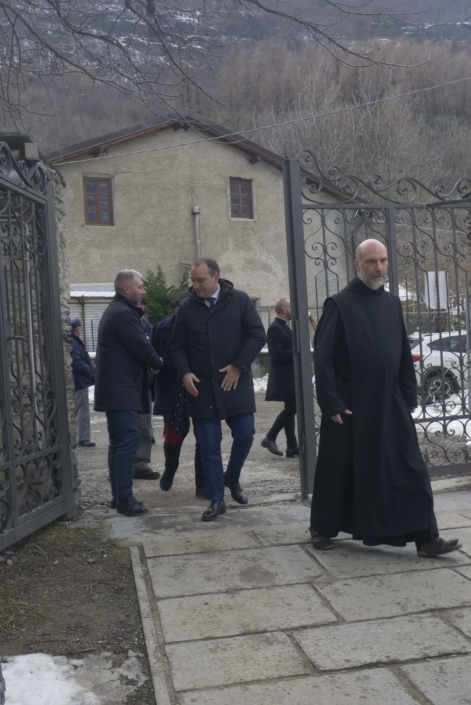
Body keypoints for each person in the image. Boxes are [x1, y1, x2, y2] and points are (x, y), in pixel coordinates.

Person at [310, 238, 461, 557]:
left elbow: (403, 351)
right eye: (371, 262)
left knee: (409, 467)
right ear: (357, 264)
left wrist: (408, 393)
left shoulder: (392, 303)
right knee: (340, 468)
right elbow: (323, 358)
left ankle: (426, 539)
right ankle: (322, 527)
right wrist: (331, 401)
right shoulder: (339, 304)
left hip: (390, 400)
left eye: (382, 261)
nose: (378, 267)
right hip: (350, 403)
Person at [171, 257, 266, 521]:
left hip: (235, 382)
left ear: (216, 277)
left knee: (245, 435)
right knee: (209, 446)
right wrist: (185, 372)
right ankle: (216, 499)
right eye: (193, 280)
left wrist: (238, 365)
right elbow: (176, 346)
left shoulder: (240, 300)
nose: (195, 285)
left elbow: (258, 334)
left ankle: (231, 478)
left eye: (200, 280)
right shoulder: (187, 308)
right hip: (201, 387)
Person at [94, 269, 162, 517]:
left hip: (117, 389)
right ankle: (124, 498)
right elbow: (141, 347)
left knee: (118, 444)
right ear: (127, 289)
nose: (143, 291)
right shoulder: (123, 314)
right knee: (127, 443)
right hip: (122, 390)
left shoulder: (117, 310)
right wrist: (157, 361)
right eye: (140, 287)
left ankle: (118, 495)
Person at [151, 291, 207, 496]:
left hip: (200, 385)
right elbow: (152, 356)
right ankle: (170, 468)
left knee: (204, 435)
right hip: (173, 387)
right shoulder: (161, 328)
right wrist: (155, 368)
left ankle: (202, 483)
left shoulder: (203, 325)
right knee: (175, 433)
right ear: (176, 309)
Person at [261, 298, 298, 458]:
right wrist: (298, 349)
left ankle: (292, 446)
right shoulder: (275, 328)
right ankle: (270, 437)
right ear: (284, 309)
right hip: (284, 377)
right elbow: (277, 355)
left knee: (291, 408)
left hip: (290, 375)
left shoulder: (284, 327)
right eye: (291, 307)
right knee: (294, 408)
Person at [132, 299, 160, 481]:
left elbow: (153, 348)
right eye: (138, 304)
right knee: (126, 426)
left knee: (144, 424)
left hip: (144, 383)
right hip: (128, 383)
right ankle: (123, 466)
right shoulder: (124, 322)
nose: (141, 307)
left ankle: (141, 463)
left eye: (143, 304)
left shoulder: (146, 325)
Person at [70, 317, 96, 448]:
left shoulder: (74, 341)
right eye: (80, 327)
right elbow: (77, 362)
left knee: (79, 409)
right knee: (83, 410)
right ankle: (83, 438)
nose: (81, 330)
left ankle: (78, 437)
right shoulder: (74, 342)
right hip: (80, 381)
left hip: (79, 381)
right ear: (77, 329)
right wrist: (90, 370)